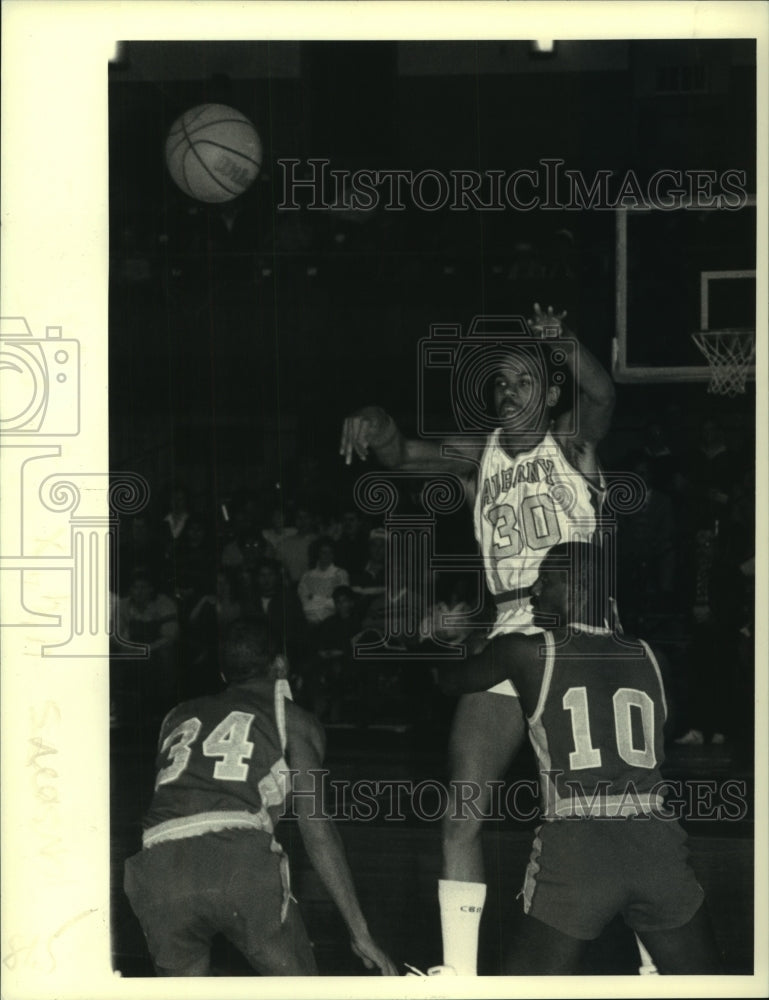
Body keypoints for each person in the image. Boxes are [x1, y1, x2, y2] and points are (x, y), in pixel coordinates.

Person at [340, 304, 614, 975]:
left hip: (578, 627)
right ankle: (458, 975)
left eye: (522, 380)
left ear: (549, 394)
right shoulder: (478, 454)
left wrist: (564, 343)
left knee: (607, 816)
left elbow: (602, 390)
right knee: (462, 805)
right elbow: (399, 452)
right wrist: (373, 422)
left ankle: (648, 962)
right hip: (507, 628)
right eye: (499, 383)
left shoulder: (572, 442)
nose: (507, 391)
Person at [436, 542, 719, 975]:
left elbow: (448, 680)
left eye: (546, 579)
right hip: (657, 843)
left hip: (579, 847)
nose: (534, 591)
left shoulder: (524, 652)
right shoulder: (651, 656)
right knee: (708, 986)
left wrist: (440, 636)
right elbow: (663, 725)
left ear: (578, 584)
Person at [123, 619, 398, 977]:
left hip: (157, 865)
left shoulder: (176, 715)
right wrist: (360, 931)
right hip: (237, 858)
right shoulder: (295, 720)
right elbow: (316, 827)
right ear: (280, 666)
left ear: (223, 673)